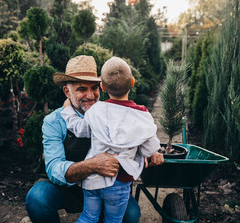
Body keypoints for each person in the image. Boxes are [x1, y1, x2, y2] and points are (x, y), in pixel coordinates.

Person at [25, 55, 163, 223]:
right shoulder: (54, 121)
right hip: (66, 187)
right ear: (67, 92)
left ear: (102, 87)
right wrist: (93, 165)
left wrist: (144, 153)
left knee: (131, 213)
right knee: (37, 199)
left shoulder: (110, 112)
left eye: (95, 88)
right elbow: (54, 169)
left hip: (105, 184)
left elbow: (130, 136)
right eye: (82, 89)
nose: (90, 95)